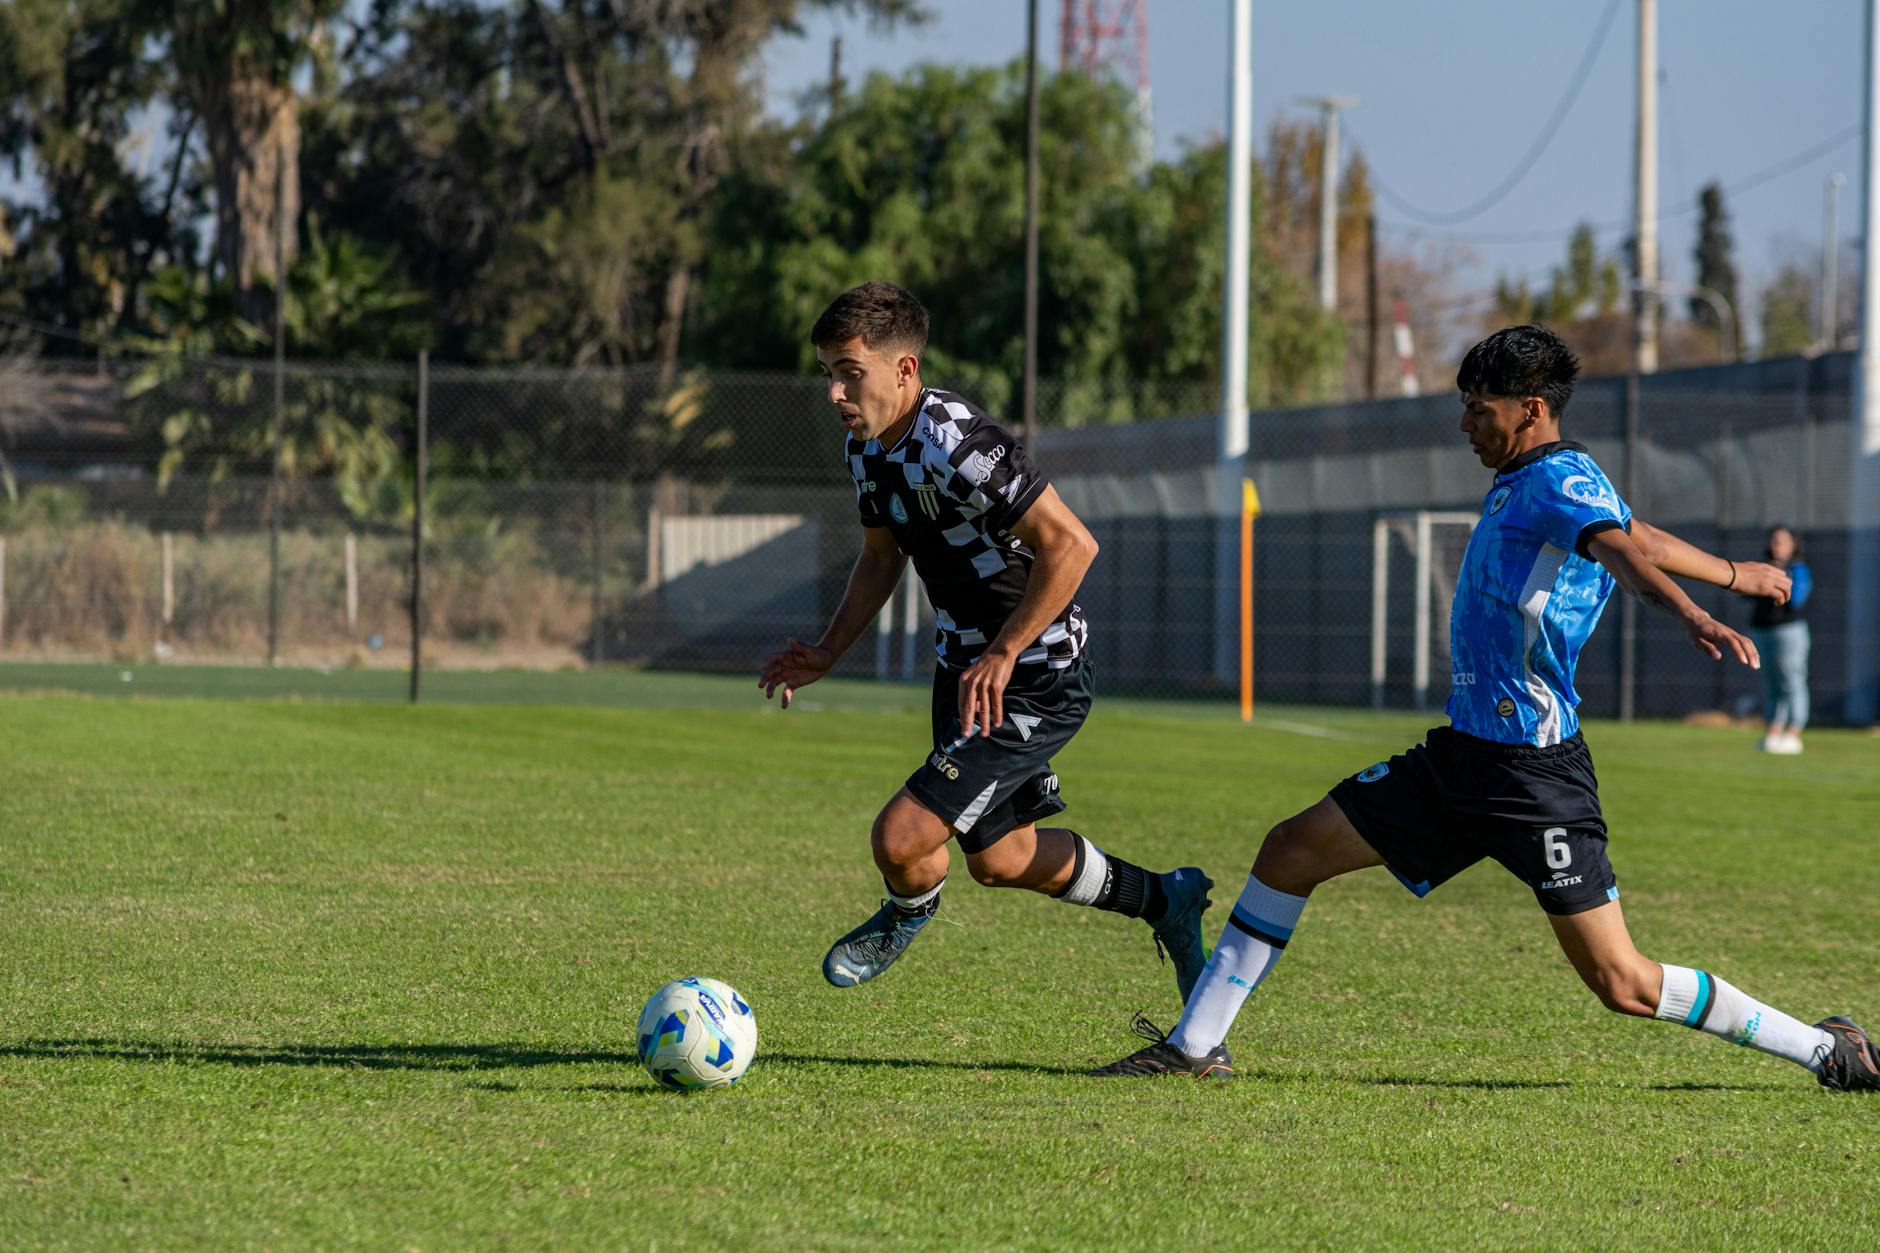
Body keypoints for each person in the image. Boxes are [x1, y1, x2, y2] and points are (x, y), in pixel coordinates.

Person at [1094, 325, 1878, 1092]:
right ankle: (1194, 1045)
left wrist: (1694, 612)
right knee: (1290, 849)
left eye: (1479, 409)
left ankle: (1825, 1048)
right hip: (1462, 757)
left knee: (1623, 981)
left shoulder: (1559, 480)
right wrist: (1736, 572)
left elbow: (1625, 551)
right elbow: (1638, 532)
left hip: (1534, 777)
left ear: (1531, 408)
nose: (1466, 425)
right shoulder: (1541, 477)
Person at [759, 280, 1213, 1000]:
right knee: (1001, 858)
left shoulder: (958, 442)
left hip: (1035, 675)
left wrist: (1003, 653)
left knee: (901, 839)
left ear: (904, 369)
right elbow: (879, 556)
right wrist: (829, 649)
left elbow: (1072, 545)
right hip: (966, 671)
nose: (835, 393)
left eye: (850, 372)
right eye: (828, 374)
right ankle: (1168, 900)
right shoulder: (866, 449)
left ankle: (908, 911)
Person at [1749, 524, 1813, 755]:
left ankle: (1794, 733)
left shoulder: (1797, 569)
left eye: (1783, 541)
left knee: (1791, 680)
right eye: (1774, 540)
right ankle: (1773, 732)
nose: (1777, 545)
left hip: (1788, 631)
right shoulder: (1763, 567)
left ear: (1793, 545)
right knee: (1770, 682)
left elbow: (1795, 600)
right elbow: (1744, 594)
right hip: (1762, 629)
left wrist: (1781, 574)